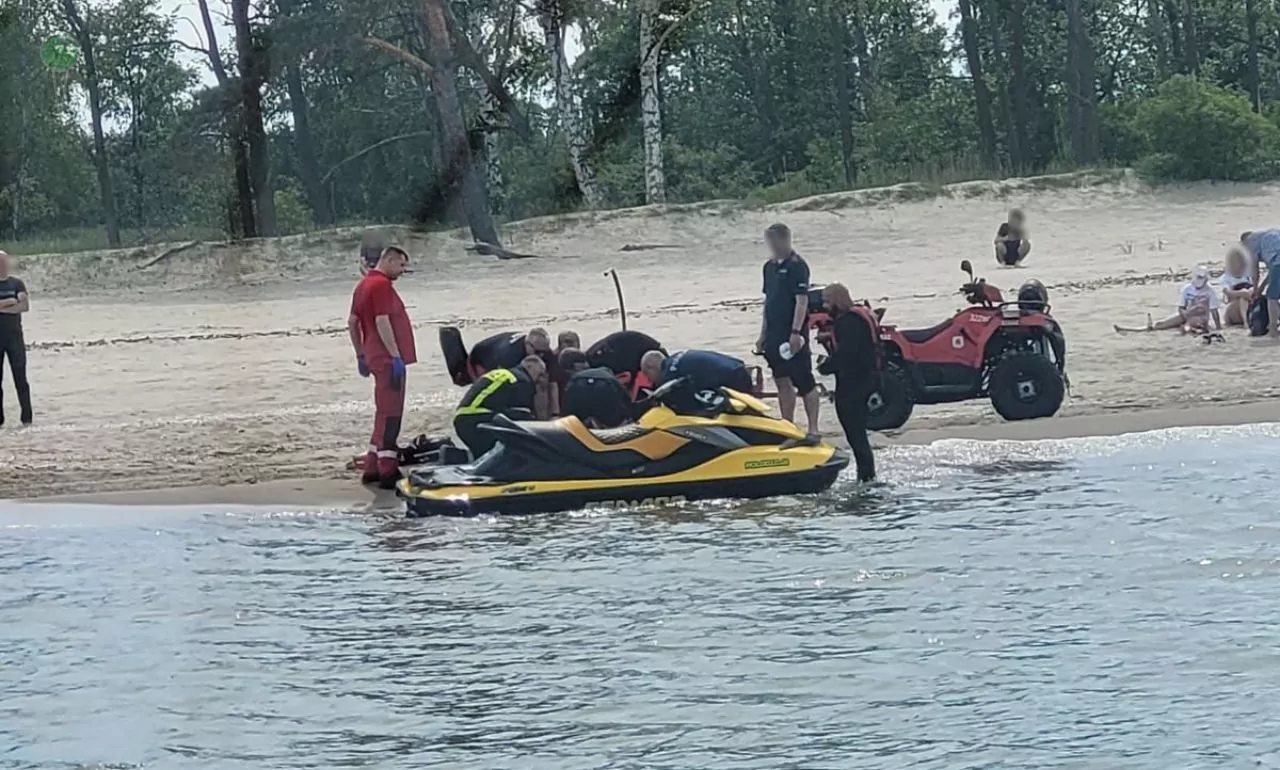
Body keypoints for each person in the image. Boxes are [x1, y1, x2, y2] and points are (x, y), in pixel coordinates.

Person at [348, 245, 417, 488]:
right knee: (391, 413)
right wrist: (396, 356)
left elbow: (353, 322)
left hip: (374, 356)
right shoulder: (381, 286)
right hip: (387, 359)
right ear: (388, 260)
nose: (402, 271)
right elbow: (382, 321)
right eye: (400, 265)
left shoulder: (363, 285)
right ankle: (387, 469)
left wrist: (360, 355)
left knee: (381, 411)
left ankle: (372, 465)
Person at [755, 222, 820, 439]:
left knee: (804, 380)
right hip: (774, 331)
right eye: (769, 241)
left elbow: (801, 302)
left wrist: (795, 332)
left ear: (784, 240)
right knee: (781, 378)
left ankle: (813, 428)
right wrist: (763, 334)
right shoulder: (769, 267)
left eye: (774, 241)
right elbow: (768, 301)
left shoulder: (797, 266)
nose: (772, 245)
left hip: (792, 331)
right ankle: (788, 426)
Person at [816, 283, 878, 483]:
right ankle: (867, 475)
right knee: (858, 435)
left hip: (853, 384)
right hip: (866, 379)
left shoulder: (848, 322)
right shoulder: (858, 316)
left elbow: (847, 354)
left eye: (827, 302)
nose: (825, 307)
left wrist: (826, 366)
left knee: (856, 435)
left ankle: (866, 478)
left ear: (836, 301)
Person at [453, 356, 548, 457]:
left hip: (462, 419)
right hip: (479, 421)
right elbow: (523, 413)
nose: (540, 379)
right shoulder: (521, 379)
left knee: (483, 456)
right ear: (529, 366)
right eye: (540, 374)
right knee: (524, 419)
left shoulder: (503, 373)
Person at [468, 327, 561, 414]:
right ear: (527, 345)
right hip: (480, 358)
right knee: (496, 389)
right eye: (537, 352)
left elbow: (553, 382)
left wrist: (555, 413)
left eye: (543, 352)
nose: (540, 356)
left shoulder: (543, 350)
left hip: (498, 351)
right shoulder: (509, 356)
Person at [1113, 265, 1222, 335]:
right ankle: (1134, 331)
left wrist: (1218, 328)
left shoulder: (1210, 292)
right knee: (1161, 325)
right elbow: (1181, 308)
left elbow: (1214, 311)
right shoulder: (1187, 289)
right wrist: (1186, 315)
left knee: (1187, 328)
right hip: (1186, 314)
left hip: (1200, 318)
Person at [639, 348, 753, 413]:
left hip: (732, 381)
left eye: (647, 375)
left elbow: (679, 404)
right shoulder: (678, 356)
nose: (650, 381)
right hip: (739, 369)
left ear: (651, 368)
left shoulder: (668, 375)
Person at [0, 251, 32, 426]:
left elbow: (24, 306)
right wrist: (9, 301)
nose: (2, 265)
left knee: (21, 379)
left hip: (15, 338)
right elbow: (16, 303)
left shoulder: (17, 283)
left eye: (4, 261)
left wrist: (3, 307)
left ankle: (27, 419)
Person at [562, 365, 634, 428]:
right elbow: (625, 397)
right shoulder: (610, 377)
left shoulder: (577, 377)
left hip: (579, 397)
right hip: (605, 397)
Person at [1242, 229, 1280, 338]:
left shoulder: (1250, 243)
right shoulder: (1270, 235)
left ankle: (1273, 331)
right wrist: (1260, 289)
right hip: (1277, 262)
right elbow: (1272, 274)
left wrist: (1255, 290)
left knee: (1272, 298)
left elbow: (1255, 271)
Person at [1220, 246, 1254, 327]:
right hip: (1234, 305)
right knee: (1243, 300)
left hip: (1250, 300)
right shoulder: (1225, 278)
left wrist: (1251, 291)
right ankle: (1246, 322)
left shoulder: (1247, 275)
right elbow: (1227, 292)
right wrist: (1241, 293)